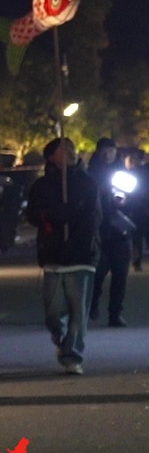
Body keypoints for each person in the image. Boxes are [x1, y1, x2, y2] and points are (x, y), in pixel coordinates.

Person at [25, 137, 103, 372]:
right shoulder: (41, 185)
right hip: (53, 255)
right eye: (62, 149)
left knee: (79, 312)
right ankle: (62, 340)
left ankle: (73, 356)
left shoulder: (88, 183)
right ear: (51, 157)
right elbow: (33, 214)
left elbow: (93, 218)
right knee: (53, 311)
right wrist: (53, 216)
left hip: (81, 256)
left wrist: (76, 234)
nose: (68, 151)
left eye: (71, 146)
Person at [86, 137, 132, 326]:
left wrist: (125, 203)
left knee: (120, 275)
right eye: (104, 151)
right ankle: (93, 302)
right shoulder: (90, 175)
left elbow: (135, 198)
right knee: (98, 273)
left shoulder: (123, 174)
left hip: (120, 232)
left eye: (111, 151)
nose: (107, 155)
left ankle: (115, 314)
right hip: (99, 231)